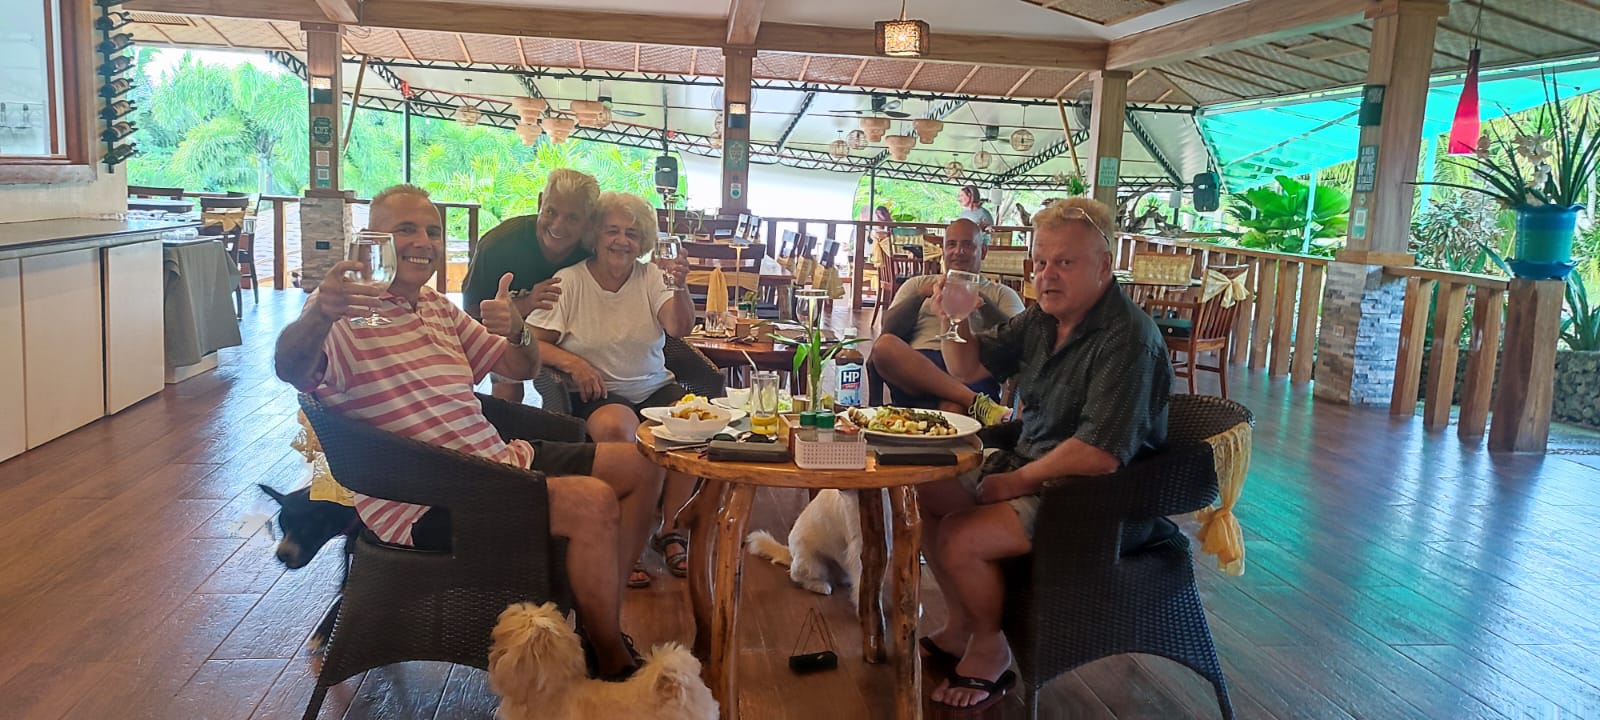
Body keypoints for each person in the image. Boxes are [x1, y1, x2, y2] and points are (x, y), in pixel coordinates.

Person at [273, 184, 662, 680]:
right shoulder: (344, 315)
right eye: (406, 229)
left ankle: (595, 613)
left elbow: (519, 367)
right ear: (373, 239)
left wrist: (518, 328)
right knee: (592, 501)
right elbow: (291, 368)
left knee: (643, 464)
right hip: (428, 497)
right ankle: (611, 661)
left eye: (433, 231)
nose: (424, 242)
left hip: (492, 463)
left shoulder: (435, 305)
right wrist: (320, 313)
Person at [917, 197, 1172, 709]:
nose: (1046, 275)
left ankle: (990, 648)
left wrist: (1014, 482)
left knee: (959, 537)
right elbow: (966, 367)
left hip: (1094, 499)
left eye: (1064, 262)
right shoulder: (1042, 319)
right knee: (925, 490)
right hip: (1030, 463)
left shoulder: (1127, 338)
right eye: (1040, 262)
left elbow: (1100, 453)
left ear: (1104, 265)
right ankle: (963, 621)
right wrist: (957, 319)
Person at [525, 191, 699, 588]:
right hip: (598, 390)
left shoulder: (652, 277)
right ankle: (622, 538)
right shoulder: (570, 281)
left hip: (654, 385)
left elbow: (679, 327)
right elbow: (532, 341)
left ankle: (670, 529)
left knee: (692, 426)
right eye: (612, 231)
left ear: (643, 241)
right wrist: (573, 363)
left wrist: (680, 286)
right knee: (619, 429)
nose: (622, 241)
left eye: (632, 234)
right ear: (595, 235)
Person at [460, 169, 601, 404]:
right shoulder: (499, 245)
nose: (558, 225)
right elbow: (471, 313)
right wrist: (525, 304)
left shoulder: (592, 251)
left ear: (589, 220)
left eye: (572, 218)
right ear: (539, 203)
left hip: (567, 336)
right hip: (508, 334)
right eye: (551, 212)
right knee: (508, 387)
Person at [867, 218, 1022, 421]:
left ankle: (965, 399)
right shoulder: (917, 284)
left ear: (983, 251)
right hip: (917, 369)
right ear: (943, 250)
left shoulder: (1001, 293)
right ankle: (974, 402)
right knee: (884, 346)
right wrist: (920, 296)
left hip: (969, 372)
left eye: (967, 245)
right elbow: (888, 328)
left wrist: (981, 301)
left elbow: (1018, 340)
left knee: (953, 410)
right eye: (951, 244)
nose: (958, 251)